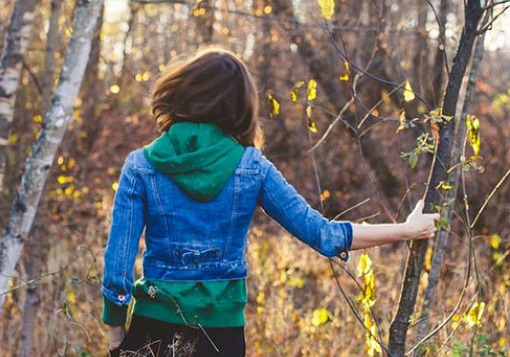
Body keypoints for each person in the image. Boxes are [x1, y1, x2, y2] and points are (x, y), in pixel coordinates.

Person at [101, 47, 439, 357]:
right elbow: (324, 235)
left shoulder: (141, 166)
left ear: (182, 90)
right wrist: (407, 230)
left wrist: (117, 338)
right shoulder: (252, 167)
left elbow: (118, 267)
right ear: (239, 106)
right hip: (221, 338)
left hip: (153, 329)